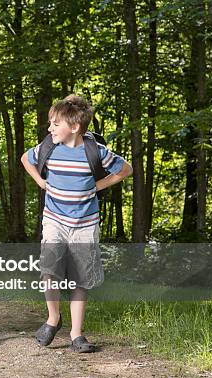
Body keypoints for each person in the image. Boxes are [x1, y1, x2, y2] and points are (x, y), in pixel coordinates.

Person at [21, 94, 132, 352]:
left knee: (80, 279)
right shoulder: (49, 146)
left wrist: (99, 185)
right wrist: (40, 181)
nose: (49, 129)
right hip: (54, 219)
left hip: (85, 223)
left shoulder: (95, 151)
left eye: (54, 123)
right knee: (49, 270)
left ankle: (77, 335)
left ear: (74, 127)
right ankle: (53, 318)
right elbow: (27, 159)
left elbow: (125, 169)